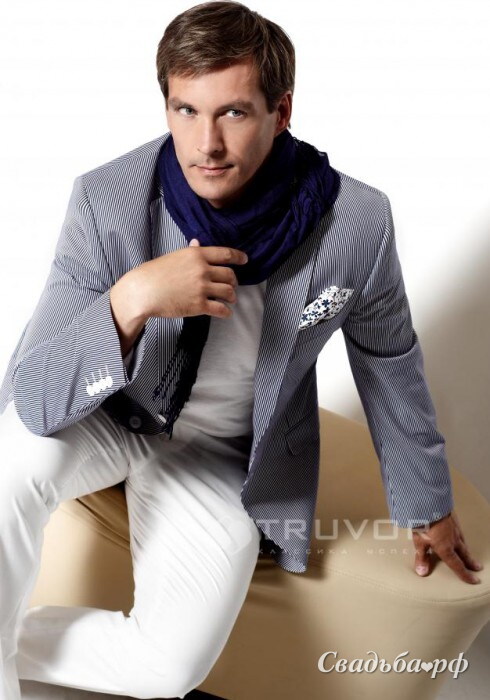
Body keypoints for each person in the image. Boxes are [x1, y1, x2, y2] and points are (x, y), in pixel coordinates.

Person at [0, 1, 483, 698]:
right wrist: (130, 300)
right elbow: (34, 398)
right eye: (186, 110)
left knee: (168, 669)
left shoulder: (356, 223)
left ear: (280, 111)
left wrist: (427, 504)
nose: (207, 144)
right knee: (10, 462)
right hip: (111, 415)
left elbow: (388, 361)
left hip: (223, 452)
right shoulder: (108, 202)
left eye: (233, 112)